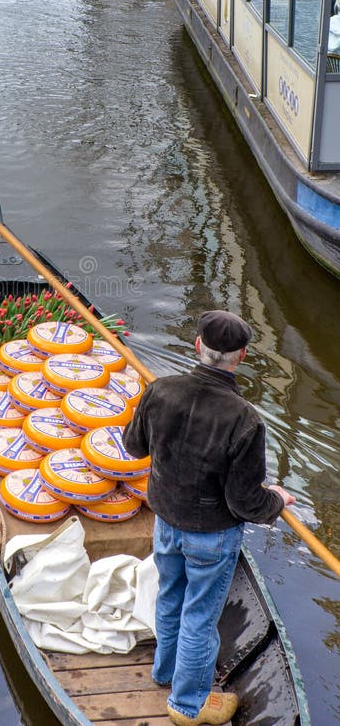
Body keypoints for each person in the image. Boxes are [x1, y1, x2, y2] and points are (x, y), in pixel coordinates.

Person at [123, 310, 295, 726]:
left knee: (170, 597)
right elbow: (244, 503)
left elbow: (133, 446)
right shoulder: (244, 419)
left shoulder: (160, 391)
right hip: (211, 538)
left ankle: (164, 671)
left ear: (198, 345)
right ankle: (187, 705)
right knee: (199, 617)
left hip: (166, 522)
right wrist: (276, 500)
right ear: (242, 356)